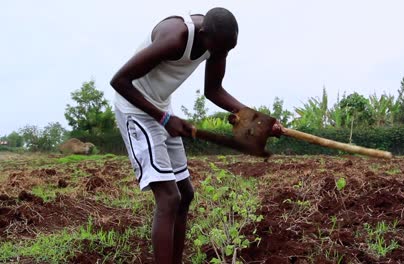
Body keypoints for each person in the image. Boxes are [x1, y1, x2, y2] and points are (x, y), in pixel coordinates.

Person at [110, 7, 282, 264]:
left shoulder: (217, 42)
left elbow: (213, 90)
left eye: (228, 50)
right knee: (169, 198)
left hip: (161, 108)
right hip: (136, 109)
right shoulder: (175, 38)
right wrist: (164, 119)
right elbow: (120, 81)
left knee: (185, 194)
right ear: (203, 35)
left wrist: (258, 121)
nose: (222, 55)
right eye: (220, 49)